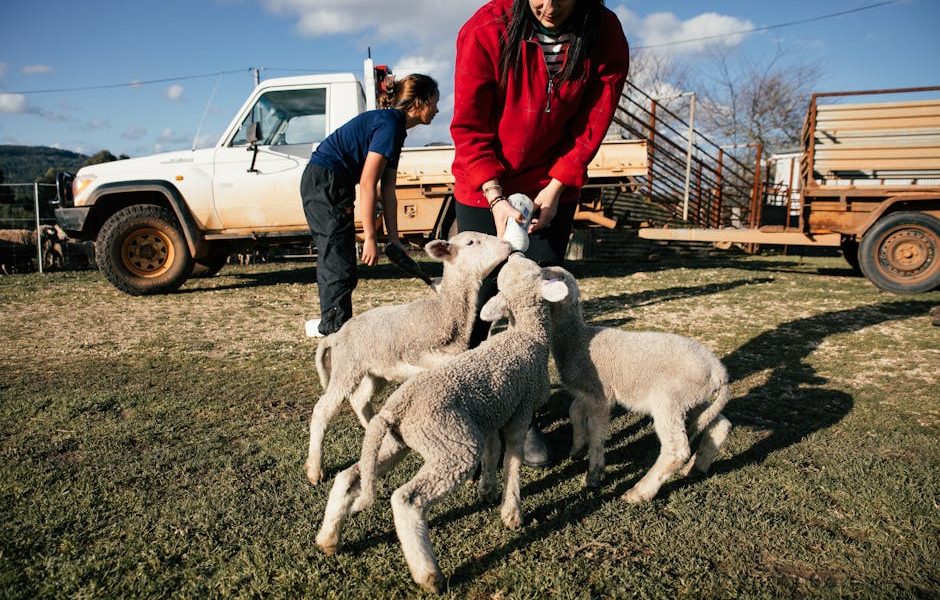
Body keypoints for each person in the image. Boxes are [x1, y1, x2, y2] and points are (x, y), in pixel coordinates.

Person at [450, 0, 629, 465]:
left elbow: (593, 121)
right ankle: (467, 414)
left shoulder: (604, 32)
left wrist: (557, 186)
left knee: (535, 305)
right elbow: (469, 126)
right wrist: (494, 197)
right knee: (482, 304)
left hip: (551, 189)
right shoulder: (486, 29)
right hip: (485, 184)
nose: (549, 6)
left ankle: (520, 415)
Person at [302, 74, 440, 337]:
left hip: (331, 182)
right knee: (338, 262)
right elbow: (367, 183)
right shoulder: (389, 125)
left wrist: (395, 240)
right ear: (419, 102)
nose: (437, 109)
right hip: (325, 181)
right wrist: (370, 237)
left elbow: (387, 189)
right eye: (434, 101)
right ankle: (333, 330)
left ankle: (331, 325)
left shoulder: (395, 128)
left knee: (341, 262)